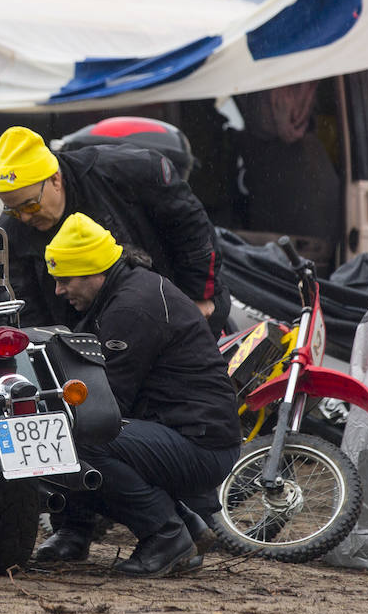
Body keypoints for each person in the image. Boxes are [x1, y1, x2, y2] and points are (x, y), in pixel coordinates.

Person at [35, 213, 241, 577]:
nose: (58, 291)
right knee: (70, 433)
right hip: (188, 432)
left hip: (200, 443)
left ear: (94, 271)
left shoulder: (131, 308)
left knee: (74, 439)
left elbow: (108, 404)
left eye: (65, 280)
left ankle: (165, 535)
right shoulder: (121, 291)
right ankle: (184, 528)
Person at [0, 125, 229, 335]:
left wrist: (199, 296)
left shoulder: (128, 171)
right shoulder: (10, 233)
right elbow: (27, 309)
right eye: (13, 210)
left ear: (55, 180)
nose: (24, 217)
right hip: (87, 332)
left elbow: (192, 231)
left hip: (180, 299)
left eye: (31, 205)